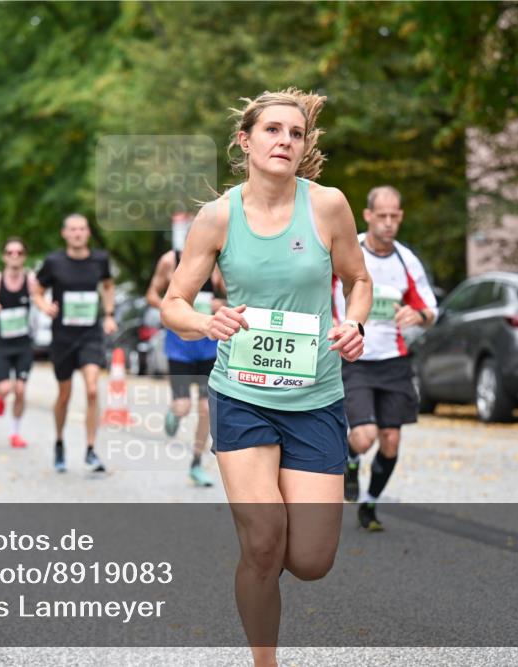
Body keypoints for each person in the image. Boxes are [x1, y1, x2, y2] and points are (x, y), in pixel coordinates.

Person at [160, 87, 371, 666]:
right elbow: (173, 302)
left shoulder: (328, 206)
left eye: (295, 133)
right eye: (272, 130)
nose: (284, 141)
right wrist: (207, 323)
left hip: (317, 396)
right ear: (245, 140)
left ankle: (273, 551)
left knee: (310, 560)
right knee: (261, 544)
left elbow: (358, 279)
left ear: (305, 147)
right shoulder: (219, 216)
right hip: (242, 395)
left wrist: (354, 323)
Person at [332, 185, 438, 531]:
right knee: (365, 436)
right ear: (368, 216)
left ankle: (370, 503)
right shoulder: (349, 250)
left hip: (394, 361)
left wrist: (416, 316)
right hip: (354, 357)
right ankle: (349, 460)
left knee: (391, 440)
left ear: (401, 217)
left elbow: (430, 309)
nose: (389, 223)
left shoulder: (406, 260)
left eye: (395, 217)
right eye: (382, 216)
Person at [145, 220, 227, 487]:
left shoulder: (217, 260)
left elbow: (231, 295)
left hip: (207, 343)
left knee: (206, 407)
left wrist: (219, 303)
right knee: (183, 406)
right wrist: (175, 308)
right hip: (180, 344)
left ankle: (195, 463)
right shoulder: (171, 260)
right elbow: (152, 294)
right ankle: (174, 413)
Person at [33, 214, 117, 474]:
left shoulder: (99, 260)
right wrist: (45, 306)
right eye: (73, 230)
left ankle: (91, 449)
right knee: (65, 394)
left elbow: (108, 284)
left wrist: (109, 314)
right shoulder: (54, 262)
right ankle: (59, 442)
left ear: (88, 233)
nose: (78, 233)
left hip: (90, 334)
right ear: (65, 234)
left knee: (92, 390)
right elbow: (36, 289)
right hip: (63, 337)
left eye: (82, 229)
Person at [0, 237, 39, 448]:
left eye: (19, 252)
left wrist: (45, 306)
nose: (15, 256)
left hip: (23, 343)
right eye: (10, 252)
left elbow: (39, 298)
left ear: (24, 256)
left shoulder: (30, 280)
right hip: (3, 344)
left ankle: (15, 432)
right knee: (6, 388)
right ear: (4, 256)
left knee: (21, 390)